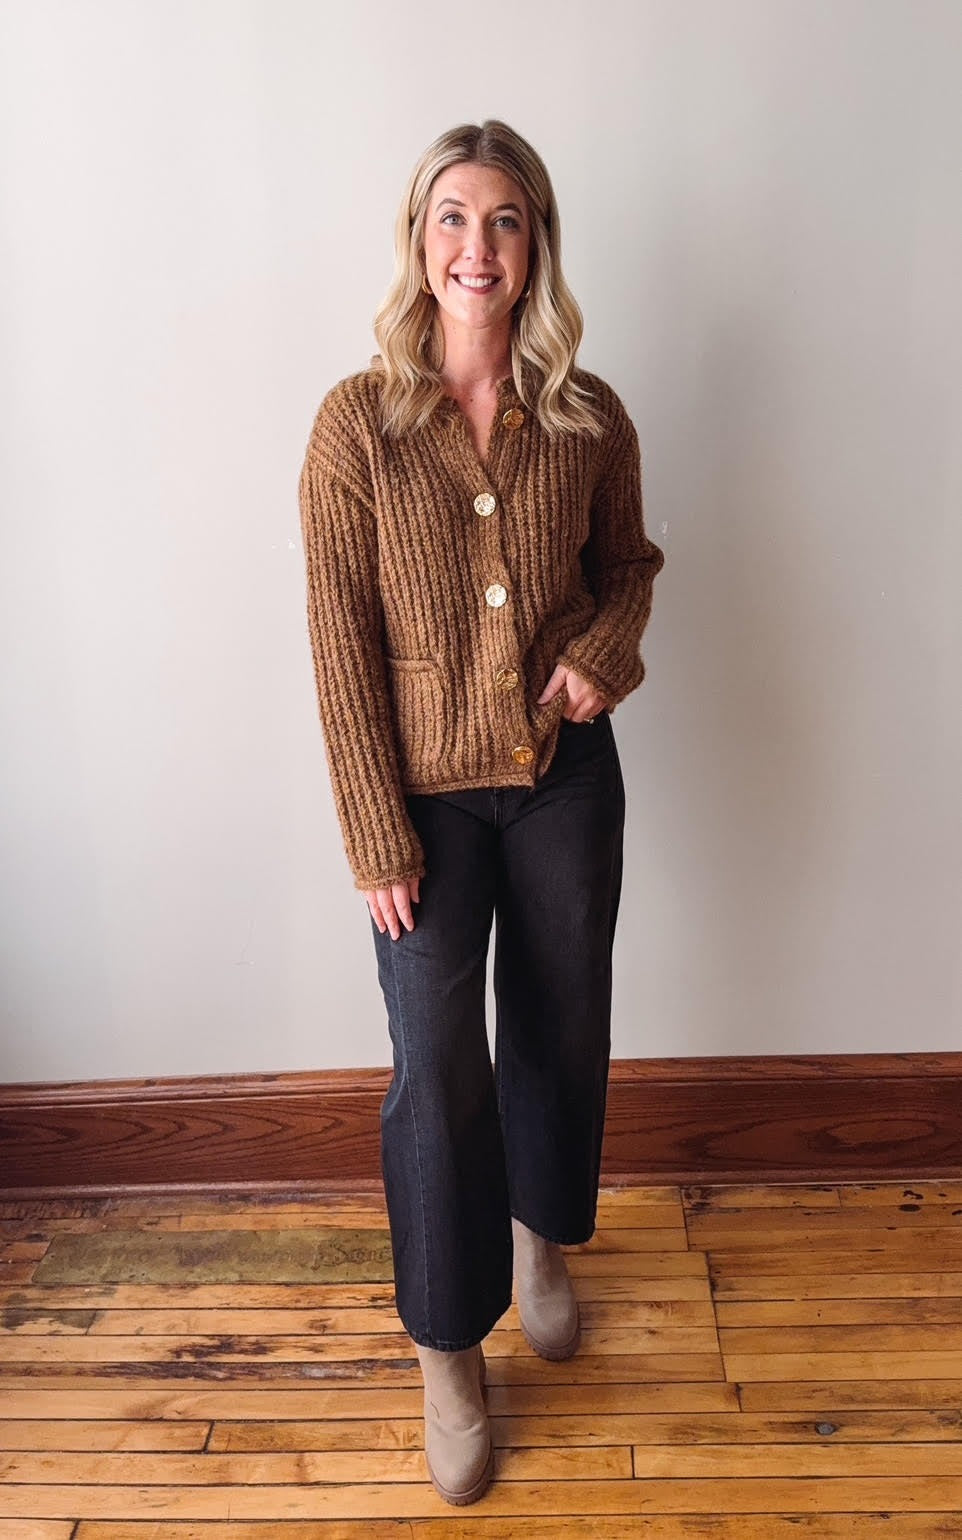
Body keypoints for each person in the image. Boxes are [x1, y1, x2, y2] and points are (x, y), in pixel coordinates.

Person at [297, 119, 664, 1506]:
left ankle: (540, 1240)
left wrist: (601, 657)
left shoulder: (586, 412)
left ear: (535, 246)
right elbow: (335, 639)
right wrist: (375, 833)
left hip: (564, 780)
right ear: (417, 240)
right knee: (433, 1065)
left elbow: (631, 567)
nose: (477, 247)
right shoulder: (358, 423)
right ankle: (449, 1348)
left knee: (563, 1020)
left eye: (504, 221)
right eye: (453, 217)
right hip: (427, 808)